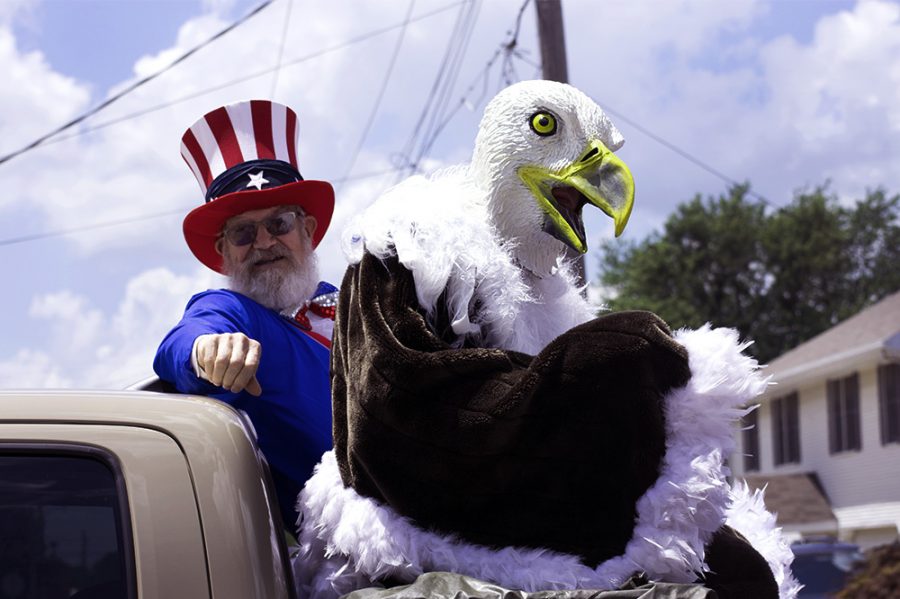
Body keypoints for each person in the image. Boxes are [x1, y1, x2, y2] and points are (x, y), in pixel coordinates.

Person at [154, 99, 336, 529]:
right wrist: (208, 351)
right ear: (223, 252)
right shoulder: (231, 310)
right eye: (242, 232)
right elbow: (181, 343)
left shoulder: (354, 300)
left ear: (306, 230)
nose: (263, 242)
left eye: (279, 224)